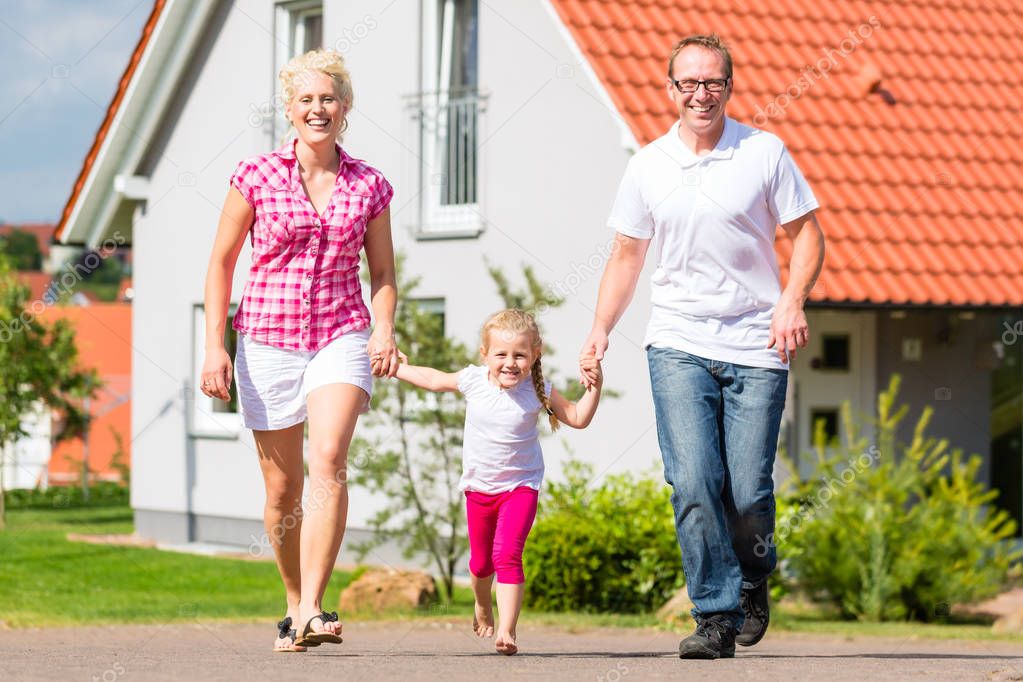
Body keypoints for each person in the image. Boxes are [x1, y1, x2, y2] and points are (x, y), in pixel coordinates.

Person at [579, 34, 825, 659]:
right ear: (671, 90)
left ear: (729, 87)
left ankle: (752, 577)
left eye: (712, 82)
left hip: (756, 341)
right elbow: (627, 254)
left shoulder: (763, 152)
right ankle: (714, 615)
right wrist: (602, 325)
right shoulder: (648, 164)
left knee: (747, 492)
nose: (700, 93)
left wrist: (791, 299)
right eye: (688, 83)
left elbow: (807, 236)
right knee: (692, 478)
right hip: (679, 340)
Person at [200, 48, 400, 652]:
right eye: (306, 99)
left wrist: (383, 330)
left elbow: (384, 272)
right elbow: (222, 262)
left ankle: (314, 604)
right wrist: (216, 345)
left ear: (345, 108)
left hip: (340, 331)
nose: (318, 108)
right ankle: (293, 602)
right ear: (289, 109)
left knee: (331, 458)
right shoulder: (255, 175)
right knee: (282, 494)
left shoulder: (369, 185)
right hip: (266, 337)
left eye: (329, 98)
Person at [383, 309, 602, 655]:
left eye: (520, 355)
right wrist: (396, 367)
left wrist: (595, 386)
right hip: (479, 490)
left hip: (520, 489)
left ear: (535, 354)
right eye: (501, 354)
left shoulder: (538, 390)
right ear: (484, 355)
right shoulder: (473, 380)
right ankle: (482, 604)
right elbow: (433, 379)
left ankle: (507, 630)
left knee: (507, 554)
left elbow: (577, 417)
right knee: (481, 563)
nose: (510, 363)